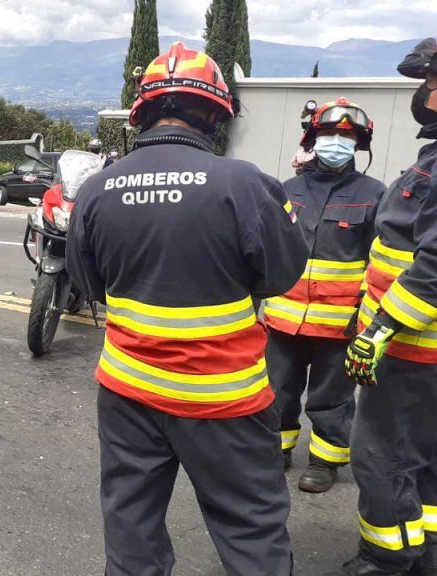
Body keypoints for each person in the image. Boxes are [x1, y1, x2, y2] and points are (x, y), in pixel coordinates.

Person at [65, 42, 308, 575]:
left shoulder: (98, 190)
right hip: (225, 400)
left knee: (131, 530)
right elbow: (284, 273)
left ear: (143, 111)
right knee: (250, 532)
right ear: (215, 113)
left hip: (129, 393)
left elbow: (87, 284)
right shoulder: (246, 185)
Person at [333, 38, 437, 576]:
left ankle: (388, 559)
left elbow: (433, 269)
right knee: (424, 459)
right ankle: (426, 550)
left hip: (411, 351)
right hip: (419, 353)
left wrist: (379, 330)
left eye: (432, 83)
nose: (425, 95)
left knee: (382, 455)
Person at [263, 98, 385, 494]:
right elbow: (266, 248)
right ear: (314, 139)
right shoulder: (288, 189)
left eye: (346, 136)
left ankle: (324, 462)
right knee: (277, 390)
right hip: (283, 320)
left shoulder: (374, 195)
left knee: (331, 400)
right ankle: (276, 451)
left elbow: (380, 262)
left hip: (339, 323)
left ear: (359, 145)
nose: (336, 141)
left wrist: (367, 318)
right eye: (330, 134)